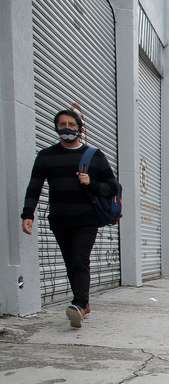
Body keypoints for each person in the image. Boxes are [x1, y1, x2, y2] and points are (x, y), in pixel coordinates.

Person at [20, 109, 118, 328]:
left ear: (79, 128)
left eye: (72, 124)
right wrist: (28, 214)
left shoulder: (94, 155)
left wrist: (91, 183)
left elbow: (113, 187)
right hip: (60, 219)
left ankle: (80, 304)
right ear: (56, 127)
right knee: (70, 262)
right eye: (62, 124)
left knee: (79, 260)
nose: (67, 128)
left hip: (86, 219)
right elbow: (34, 187)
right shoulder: (46, 156)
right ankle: (83, 304)